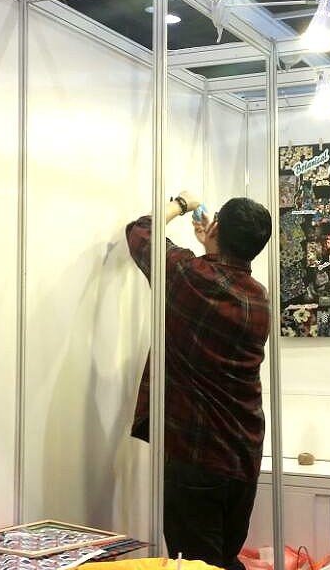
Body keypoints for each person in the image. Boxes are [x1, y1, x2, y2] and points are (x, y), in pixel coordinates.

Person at [124, 192, 273, 570]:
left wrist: (180, 204)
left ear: (218, 228)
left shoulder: (189, 276)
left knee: (195, 565)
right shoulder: (258, 298)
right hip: (243, 455)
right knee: (223, 558)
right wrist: (213, 244)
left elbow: (141, 232)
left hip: (197, 456)